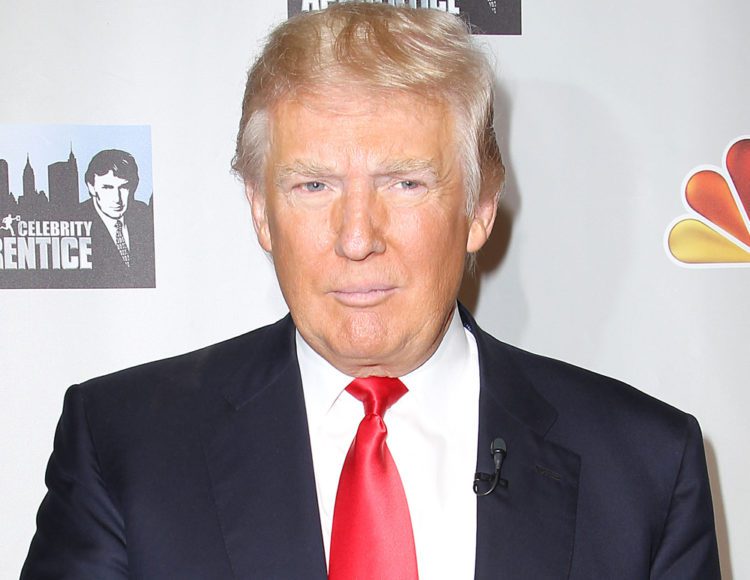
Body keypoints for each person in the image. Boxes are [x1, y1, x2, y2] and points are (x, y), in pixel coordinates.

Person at [22, 4, 720, 579]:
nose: (357, 237)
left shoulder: (646, 467)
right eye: (313, 185)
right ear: (261, 210)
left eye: (405, 183)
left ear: (480, 209)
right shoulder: (125, 446)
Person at [80, 149, 155, 287]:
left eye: (124, 187)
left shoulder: (144, 214)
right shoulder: (76, 220)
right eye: (107, 188)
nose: (117, 199)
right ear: (91, 188)